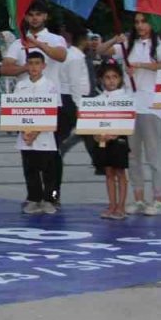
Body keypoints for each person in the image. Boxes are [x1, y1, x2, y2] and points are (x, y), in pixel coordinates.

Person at [98, 13, 161, 216]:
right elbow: (100, 50)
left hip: (150, 106)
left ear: (152, 23)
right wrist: (115, 39)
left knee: (154, 155)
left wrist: (139, 65)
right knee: (132, 156)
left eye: (144, 21)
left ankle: (159, 199)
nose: (140, 25)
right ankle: (139, 198)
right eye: (137, 22)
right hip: (129, 107)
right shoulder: (127, 45)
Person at [17, 51, 60, 215]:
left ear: (43, 66)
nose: (34, 67)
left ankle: (50, 199)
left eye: (37, 63)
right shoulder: (20, 86)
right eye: (31, 63)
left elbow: (52, 112)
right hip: (25, 136)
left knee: (49, 171)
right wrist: (24, 131)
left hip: (45, 136)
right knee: (30, 170)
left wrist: (35, 132)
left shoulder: (50, 86)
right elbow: (15, 110)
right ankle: (34, 199)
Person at [54, 28, 92, 203]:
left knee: (84, 133)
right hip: (72, 99)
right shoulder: (76, 57)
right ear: (83, 40)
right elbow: (75, 83)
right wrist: (79, 106)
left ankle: (64, 147)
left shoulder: (72, 55)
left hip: (69, 98)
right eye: (88, 39)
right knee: (84, 133)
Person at [89, 61, 131, 220]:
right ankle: (112, 204)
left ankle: (121, 206)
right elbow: (92, 122)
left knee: (120, 173)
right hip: (102, 140)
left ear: (120, 79)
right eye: (107, 77)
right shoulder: (97, 100)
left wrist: (116, 134)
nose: (111, 80)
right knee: (108, 173)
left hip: (119, 140)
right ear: (101, 80)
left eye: (114, 77)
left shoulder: (126, 98)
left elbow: (128, 121)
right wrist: (97, 135)